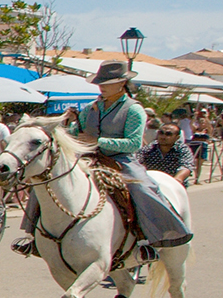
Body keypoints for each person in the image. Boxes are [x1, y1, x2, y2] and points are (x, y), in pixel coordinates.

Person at [12, 60, 192, 259]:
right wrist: (70, 126)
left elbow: (133, 143)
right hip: (87, 158)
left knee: (142, 188)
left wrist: (99, 141)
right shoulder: (90, 108)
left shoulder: (134, 109)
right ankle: (33, 236)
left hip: (121, 161)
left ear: (122, 83)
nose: (101, 86)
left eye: (107, 83)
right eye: (100, 82)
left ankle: (146, 240)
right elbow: (75, 134)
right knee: (47, 180)